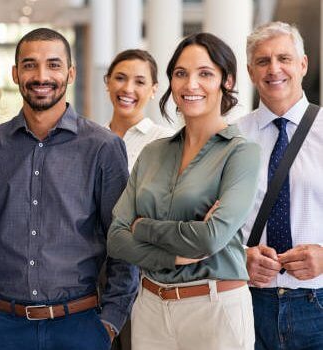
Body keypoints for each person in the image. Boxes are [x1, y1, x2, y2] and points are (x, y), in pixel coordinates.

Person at [0, 27, 138, 350]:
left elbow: (123, 244)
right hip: (5, 329)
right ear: (15, 73)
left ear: (70, 73)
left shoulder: (103, 148)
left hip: (81, 328)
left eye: (54, 65)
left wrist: (109, 323)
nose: (41, 76)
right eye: (30, 65)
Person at [107, 32, 261, 350]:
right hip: (150, 306)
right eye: (181, 74)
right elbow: (117, 239)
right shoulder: (153, 152)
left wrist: (143, 227)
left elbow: (211, 238)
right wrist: (173, 255)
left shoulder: (241, 152)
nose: (191, 85)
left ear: (227, 81)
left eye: (205, 74)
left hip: (215, 308)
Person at [236, 21, 323, 350]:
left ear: (303, 65)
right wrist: (240, 256)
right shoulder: (231, 139)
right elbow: (210, 226)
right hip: (247, 304)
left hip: (318, 305)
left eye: (284, 58)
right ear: (250, 71)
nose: (274, 69)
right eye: (263, 61)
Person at [105, 49, 174, 171]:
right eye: (120, 78)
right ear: (108, 82)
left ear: (153, 89)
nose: (128, 89)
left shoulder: (166, 141)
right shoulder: (91, 139)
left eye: (139, 82)